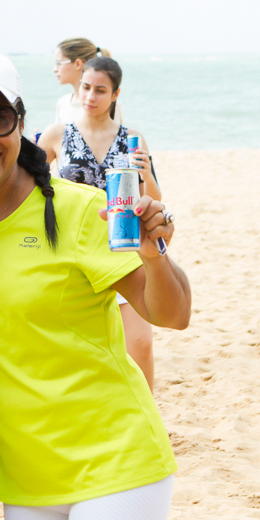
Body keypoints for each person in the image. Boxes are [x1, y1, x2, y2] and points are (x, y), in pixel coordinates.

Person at [0, 51, 191, 520]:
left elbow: (173, 314)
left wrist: (154, 257)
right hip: (26, 477)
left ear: (20, 123)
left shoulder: (79, 211)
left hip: (116, 462)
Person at [39, 56, 160, 388]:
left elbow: (156, 201)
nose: (91, 96)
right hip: (72, 250)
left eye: (100, 90)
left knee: (141, 345)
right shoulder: (57, 135)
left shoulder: (132, 138)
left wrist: (146, 173)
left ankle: (147, 418)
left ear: (115, 94)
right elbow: (28, 187)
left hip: (123, 248)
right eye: (86, 87)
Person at [52, 38, 121, 127]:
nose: (54, 69)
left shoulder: (101, 106)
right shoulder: (62, 103)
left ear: (78, 64)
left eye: (59, 63)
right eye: (86, 87)